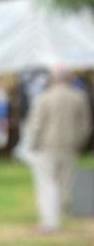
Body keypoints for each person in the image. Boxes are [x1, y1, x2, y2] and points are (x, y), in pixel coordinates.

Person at [26, 67, 93, 233]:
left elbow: (37, 124)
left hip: (46, 146)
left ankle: (50, 222)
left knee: (47, 183)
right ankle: (59, 213)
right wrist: (79, 142)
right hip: (71, 146)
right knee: (64, 183)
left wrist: (33, 144)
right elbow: (86, 125)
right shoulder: (79, 97)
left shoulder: (44, 97)